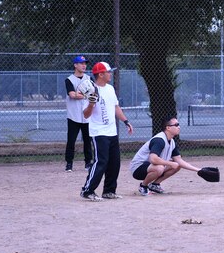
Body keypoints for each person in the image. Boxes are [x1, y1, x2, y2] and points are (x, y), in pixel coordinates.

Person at [80, 61, 133, 201]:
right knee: (100, 162)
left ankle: (109, 191)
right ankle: (87, 190)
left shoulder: (110, 89)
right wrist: (91, 103)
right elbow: (86, 114)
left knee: (115, 162)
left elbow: (116, 107)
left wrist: (126, 121)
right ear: (101, 74)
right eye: (108, 72)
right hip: (99, 133)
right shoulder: (92, 90)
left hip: (112, 132)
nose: (110, 74)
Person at [129, 115, 203, 196]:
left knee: (177, 165)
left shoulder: (171, 141)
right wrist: (171, 163)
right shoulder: (159, 140)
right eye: (176, 125)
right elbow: (153, 159)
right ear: (168, 128)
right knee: (160, 167)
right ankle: (143, 186)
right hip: (138, 168)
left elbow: (179, 161)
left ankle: (155, 185)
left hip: (150, 167)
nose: (179, 127)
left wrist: (199, 170)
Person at [64, 55, 92, 172]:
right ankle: (69, 164)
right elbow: (72, 95)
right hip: (73, 115)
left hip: (87, 115)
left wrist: (80, 94)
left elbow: (93, 93)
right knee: (71, 140)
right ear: (75, 65)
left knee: (87, 140)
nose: (84, 65)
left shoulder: (89, 78)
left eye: (85, 63)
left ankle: (88, 163)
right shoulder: (69, 79)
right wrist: (84, 94)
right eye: (81, 63)